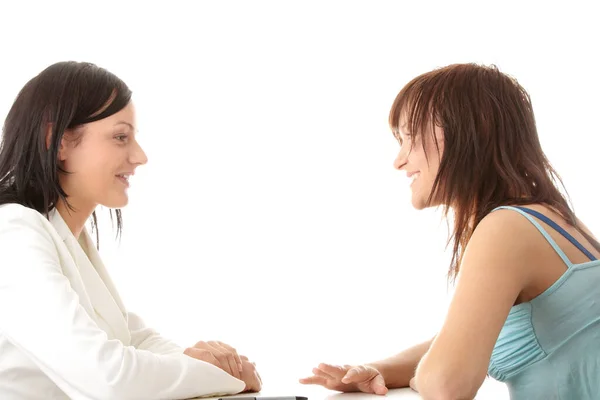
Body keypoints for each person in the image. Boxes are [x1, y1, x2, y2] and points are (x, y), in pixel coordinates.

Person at [300, 63, 600, 399]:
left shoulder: (507, 227)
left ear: (474, 131)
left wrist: (425, 377)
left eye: (411, 137)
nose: (399, 160)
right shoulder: (550, 220)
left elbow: (446, 384)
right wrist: (378, 370)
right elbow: (470, 336)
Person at [0, 61, 261, 400]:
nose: (139, 156)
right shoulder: (14, 234)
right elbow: (108, 377)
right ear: (58, 142)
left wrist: (211, 362)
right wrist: (225, 377)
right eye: (120, 137)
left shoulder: (66, 237)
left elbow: (128, 337)